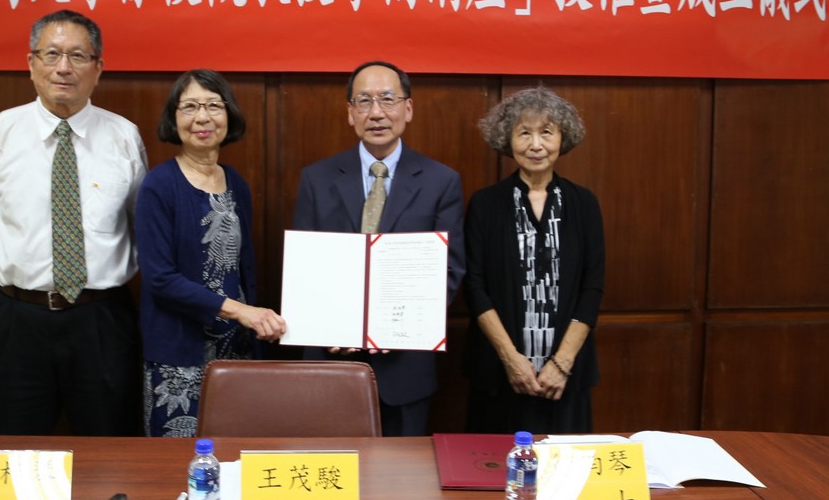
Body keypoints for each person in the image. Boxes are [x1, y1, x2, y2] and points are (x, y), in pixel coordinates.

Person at [0, 10, 147, 435]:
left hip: (101, 320)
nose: (64, 67)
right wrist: (31, 270)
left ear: (98, 68)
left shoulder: (123, 135)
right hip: (19, 320)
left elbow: (140, 226)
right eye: (51, 54)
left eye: (78, 56)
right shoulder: (2, 131)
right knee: (15, 446)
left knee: (110, 446)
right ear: (31, 64)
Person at [293, 60, 465, 437]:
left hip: (405, 365)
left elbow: (448, 270)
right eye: (364, 101)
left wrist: (396, 328)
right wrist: (330, 327)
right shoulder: (316, 178)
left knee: (402, 472)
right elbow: (306, 269)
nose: (376, 113)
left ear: (408, 108)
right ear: (350, 113)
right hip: (331, 361)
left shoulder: (441, 181)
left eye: (388, 99)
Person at [136, 69, 287, 437]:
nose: (202, 117)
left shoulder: (236, 182)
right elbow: (160, 278)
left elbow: (242, 269)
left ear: (228, 115)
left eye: (213, 106)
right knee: (176, 460)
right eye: (189, 107)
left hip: (237, 347)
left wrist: (256, 322)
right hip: (178, 356)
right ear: (174, 118)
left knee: (237, 452)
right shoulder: (158, 185)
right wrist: (242, 311)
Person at [463, 86, 605, 434]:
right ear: (507, 140)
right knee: (493, 465)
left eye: (546, 132)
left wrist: (562, 363)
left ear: (562, 137)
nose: (536, 144)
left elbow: (592, 287)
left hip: (565, 378)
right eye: (524, 133)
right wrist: (511, 359)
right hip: (499, 374)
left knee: (565, 464)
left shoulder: (584, 204)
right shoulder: (485, 204)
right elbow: (474, 286)